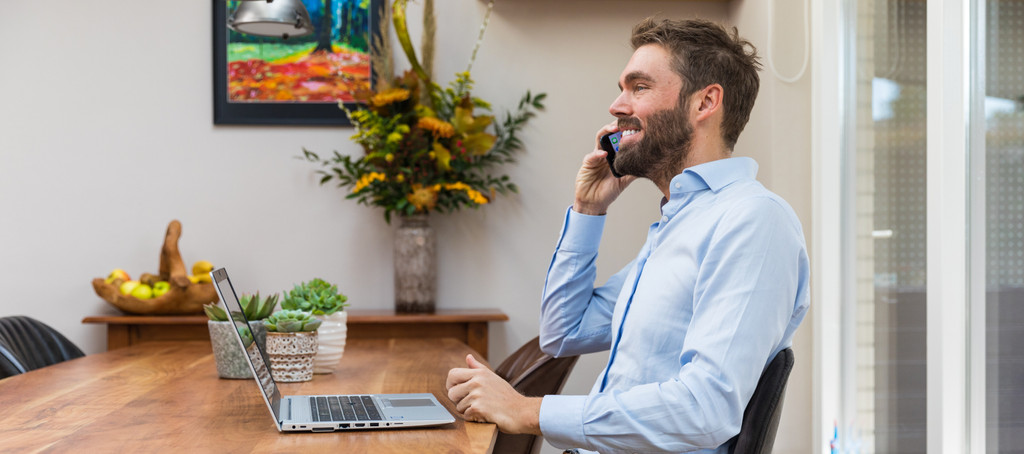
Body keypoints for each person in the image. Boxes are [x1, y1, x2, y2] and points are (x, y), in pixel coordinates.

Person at [446, 17, 809, 453]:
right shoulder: (680, 224)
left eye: (638, 87)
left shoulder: (752, 221)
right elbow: (563, 333)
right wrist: (588, 209)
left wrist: (528, 411)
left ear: (705, 102)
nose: (617, 106)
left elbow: (705, 409)